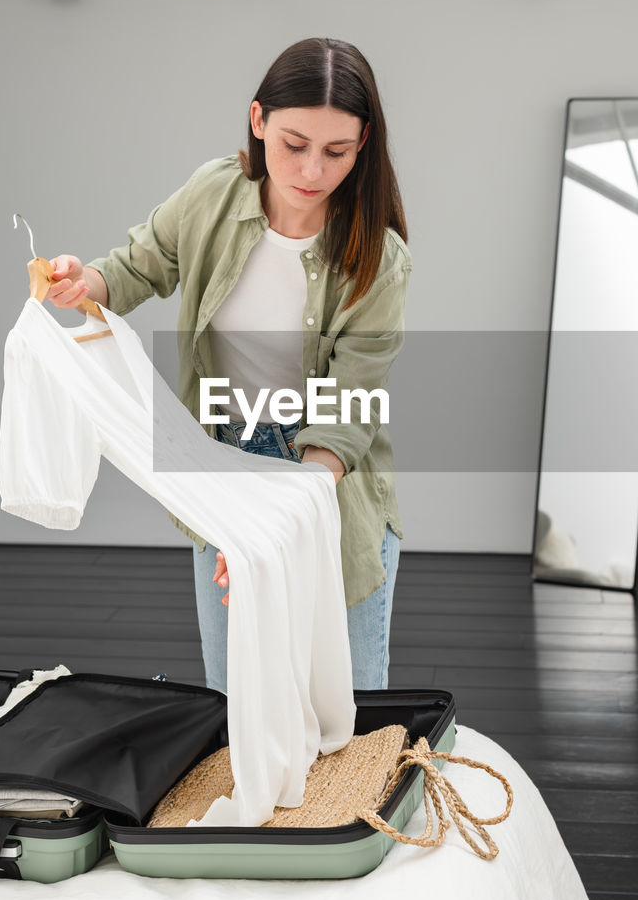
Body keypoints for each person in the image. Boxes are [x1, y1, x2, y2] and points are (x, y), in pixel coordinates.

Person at [46, 37, 411, 692]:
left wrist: (282, 521)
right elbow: (139, 264)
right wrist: (86, 282)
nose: (311, 170)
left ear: (363, 145)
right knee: (235, 695)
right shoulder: (212, 194)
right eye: (294, 143)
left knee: (351, 704)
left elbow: (349, 407)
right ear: (258, 121)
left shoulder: (377, 258)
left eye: (337, 151)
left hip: (326, 480)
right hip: (224, 464)